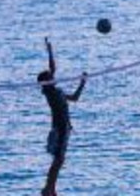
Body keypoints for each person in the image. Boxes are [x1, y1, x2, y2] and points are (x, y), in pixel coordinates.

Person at [38, 37, 87, 196]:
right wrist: (50, 51)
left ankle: (51, 188)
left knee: (59, 160)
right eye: (50, 76)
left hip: (65, 128)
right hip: (59, 128)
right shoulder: (49, 92)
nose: (53, 76)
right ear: (47, 81)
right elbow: (52, 68)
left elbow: (74, 98)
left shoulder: (57, 92)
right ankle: (48, 189)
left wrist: (82, 82)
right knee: (58, 160)